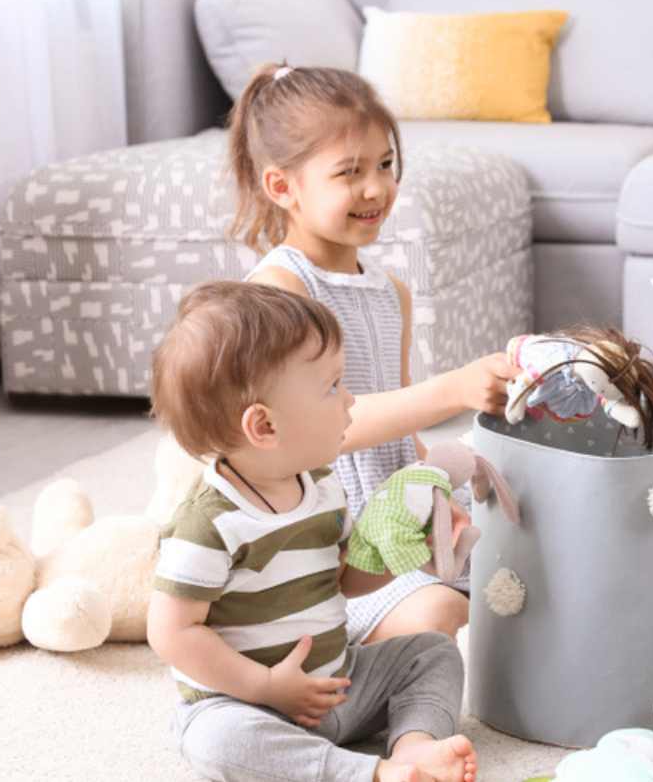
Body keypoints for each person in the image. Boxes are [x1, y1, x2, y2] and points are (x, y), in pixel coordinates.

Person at [226, 64, 517, 643]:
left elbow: (399, 439)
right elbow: (316, 432)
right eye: (348, 173)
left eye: (385, 165)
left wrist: (435, 492)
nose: (375, 189)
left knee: (526, 570)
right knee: (445, 617)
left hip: (395, 518)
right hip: (330, 550)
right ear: (282, 187)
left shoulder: (392, 294)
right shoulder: (281, 291)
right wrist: (453, 390)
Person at [147, 281, 477, 782]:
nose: (349, 401)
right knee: (214, 742)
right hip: (248, 702)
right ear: (264, 427)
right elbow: (171, 632)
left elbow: (345, 579)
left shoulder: (322, 485)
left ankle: (414, 747)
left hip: (338, 681)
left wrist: (399, 554)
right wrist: (264, 686)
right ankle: (364, 773)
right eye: (332, 387)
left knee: (431, 651)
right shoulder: (209, 523)